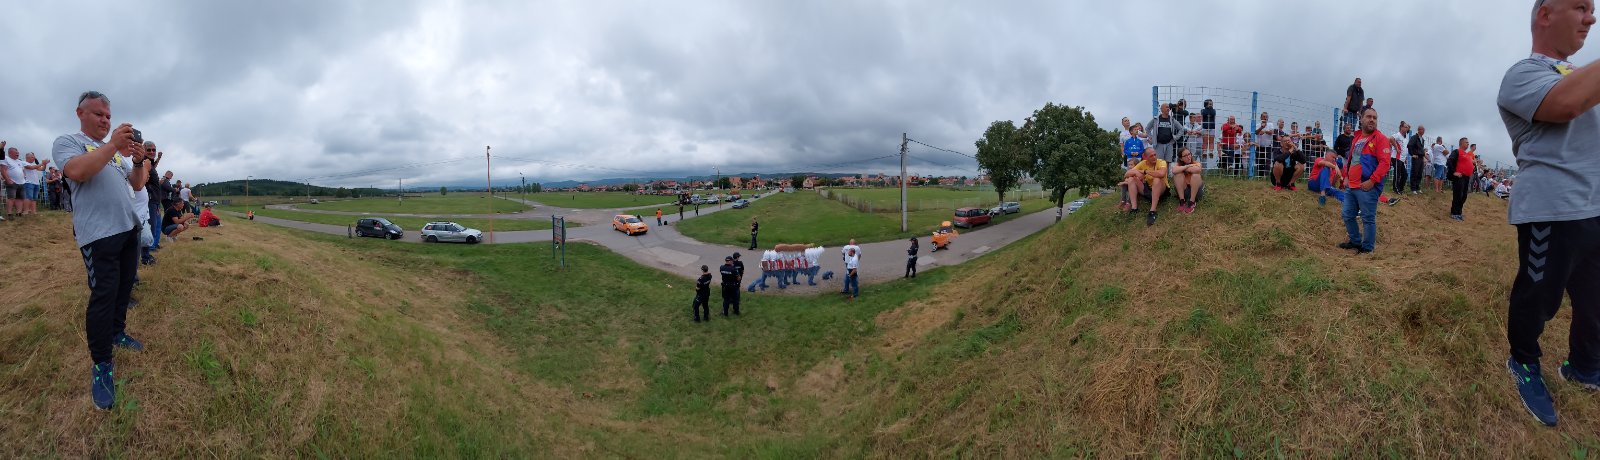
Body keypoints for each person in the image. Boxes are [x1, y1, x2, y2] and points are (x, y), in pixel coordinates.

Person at [1495, 0, 1600, 427]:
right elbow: (1566, 105)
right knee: (1539, 295)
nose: (1591, 18)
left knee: (1594, 301)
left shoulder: (1585, 76)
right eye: (1581, 7)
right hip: (1553, 207)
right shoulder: (1524, 73)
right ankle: (1523, 360)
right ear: (1545, 14)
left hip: (1595, 205)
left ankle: (1585, 367)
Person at [53, 90, 149, 410]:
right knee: (104, 296)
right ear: (80, 113)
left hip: (128, 229)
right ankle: (102, 364)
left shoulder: (116, 155)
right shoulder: (68, 142)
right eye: (98, 114)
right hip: (98, 234)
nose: (105, 120)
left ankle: (117, 332)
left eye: (108, 116)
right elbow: (78, 172)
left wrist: (138, 161)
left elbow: (137, 184)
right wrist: (112, 145)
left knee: (123, 288)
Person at [1339, 107, 1392, 255]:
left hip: (1368, 186)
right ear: (1361, 119)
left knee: (1367, 218)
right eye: (1368, 117)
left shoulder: (1380, 138)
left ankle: (1367, 248)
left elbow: (1385, 163)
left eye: (1374, 118)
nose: (1372, 120)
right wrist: (1346, 176)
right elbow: (1351, 159)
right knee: (1347, 214)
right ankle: (1355, 241)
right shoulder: (1356, 138)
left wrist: (1372, 181)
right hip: (1352, 185)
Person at [1119, 148, 1168, 226]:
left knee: (1157, 179)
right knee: (1131, 179)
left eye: (1155, 155)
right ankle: (1134, 208)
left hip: (1161, 190)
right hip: (1148, 189)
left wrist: (1145, 171)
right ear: (1145, 157)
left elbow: (1162, 173)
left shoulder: (1161, 162)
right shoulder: (1143, 163)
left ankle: (1153, 211)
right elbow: (1126, 174)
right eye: (1151, 156)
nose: (1154, 157)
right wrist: (1136, 172)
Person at [1446, 137, 1477, 221]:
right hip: (1459, 177)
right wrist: (1454, 172)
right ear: (1461, 143)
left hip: (1466, 177)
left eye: (1468, 142)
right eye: (1466, 142)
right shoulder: (1457, 151)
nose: (1468, 143)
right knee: (1458, 195)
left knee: (1464, 196)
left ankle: (1459, 212)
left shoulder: (1466, 154)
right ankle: (1454, 213)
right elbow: (1449, 161)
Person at [1172, 147, 1203, 213]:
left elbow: (1197, 169)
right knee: (1177, 175)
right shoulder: (1178, 165)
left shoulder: (1196, 163)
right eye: (1185, 156)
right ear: (1181, 158)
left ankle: (1192, 202)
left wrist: (1183, 168)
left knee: (1196, 175)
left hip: (1196, 192)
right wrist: (1187, 166)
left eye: (1189, 154)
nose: (1188, 157)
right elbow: (1174, 170)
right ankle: (1182, 201)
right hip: (1184, 191)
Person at [2, 148, 27, 218]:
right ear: (10, 153)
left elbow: (23, 171)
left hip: (21, 182)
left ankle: (19, 213)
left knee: (20, 198)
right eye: (16, 152)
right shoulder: (6, 159)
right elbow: (3, 170)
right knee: (11, 198)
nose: (17, 153)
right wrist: (7, 180)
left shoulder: (19, 161)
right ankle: (9, 213)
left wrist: (24, 178)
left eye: (18, 152)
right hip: (12, 182)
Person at [1390, 122, 1413, 195]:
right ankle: (1396, 189)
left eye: (1407, 128)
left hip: (1402, 159)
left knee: (1405, 174)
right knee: (1397, 174)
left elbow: (1404, 149)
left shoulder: (1405, 138)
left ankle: (1400, 189)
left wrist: (1405, 158)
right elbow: (1391, 138)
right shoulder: (1398, 135)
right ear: (1401, 127)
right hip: (1396, 157)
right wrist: (1396, 148)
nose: (1407, 129)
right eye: (1405, 127)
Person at [1408, 126, 1428, 194]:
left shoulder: (1422, 139)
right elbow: (1409, 145)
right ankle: (1413, 188)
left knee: (1419, 173)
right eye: (1422, 129)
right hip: (1416, 157)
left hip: (1421, 158)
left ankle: (1417, 187)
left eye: (1424, 130)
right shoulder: (1414, 137)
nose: (1423, 131)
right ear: (1418, 130)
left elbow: (1421, 149)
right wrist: (1412, 154)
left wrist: (1424, 157)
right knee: (1415, 172)